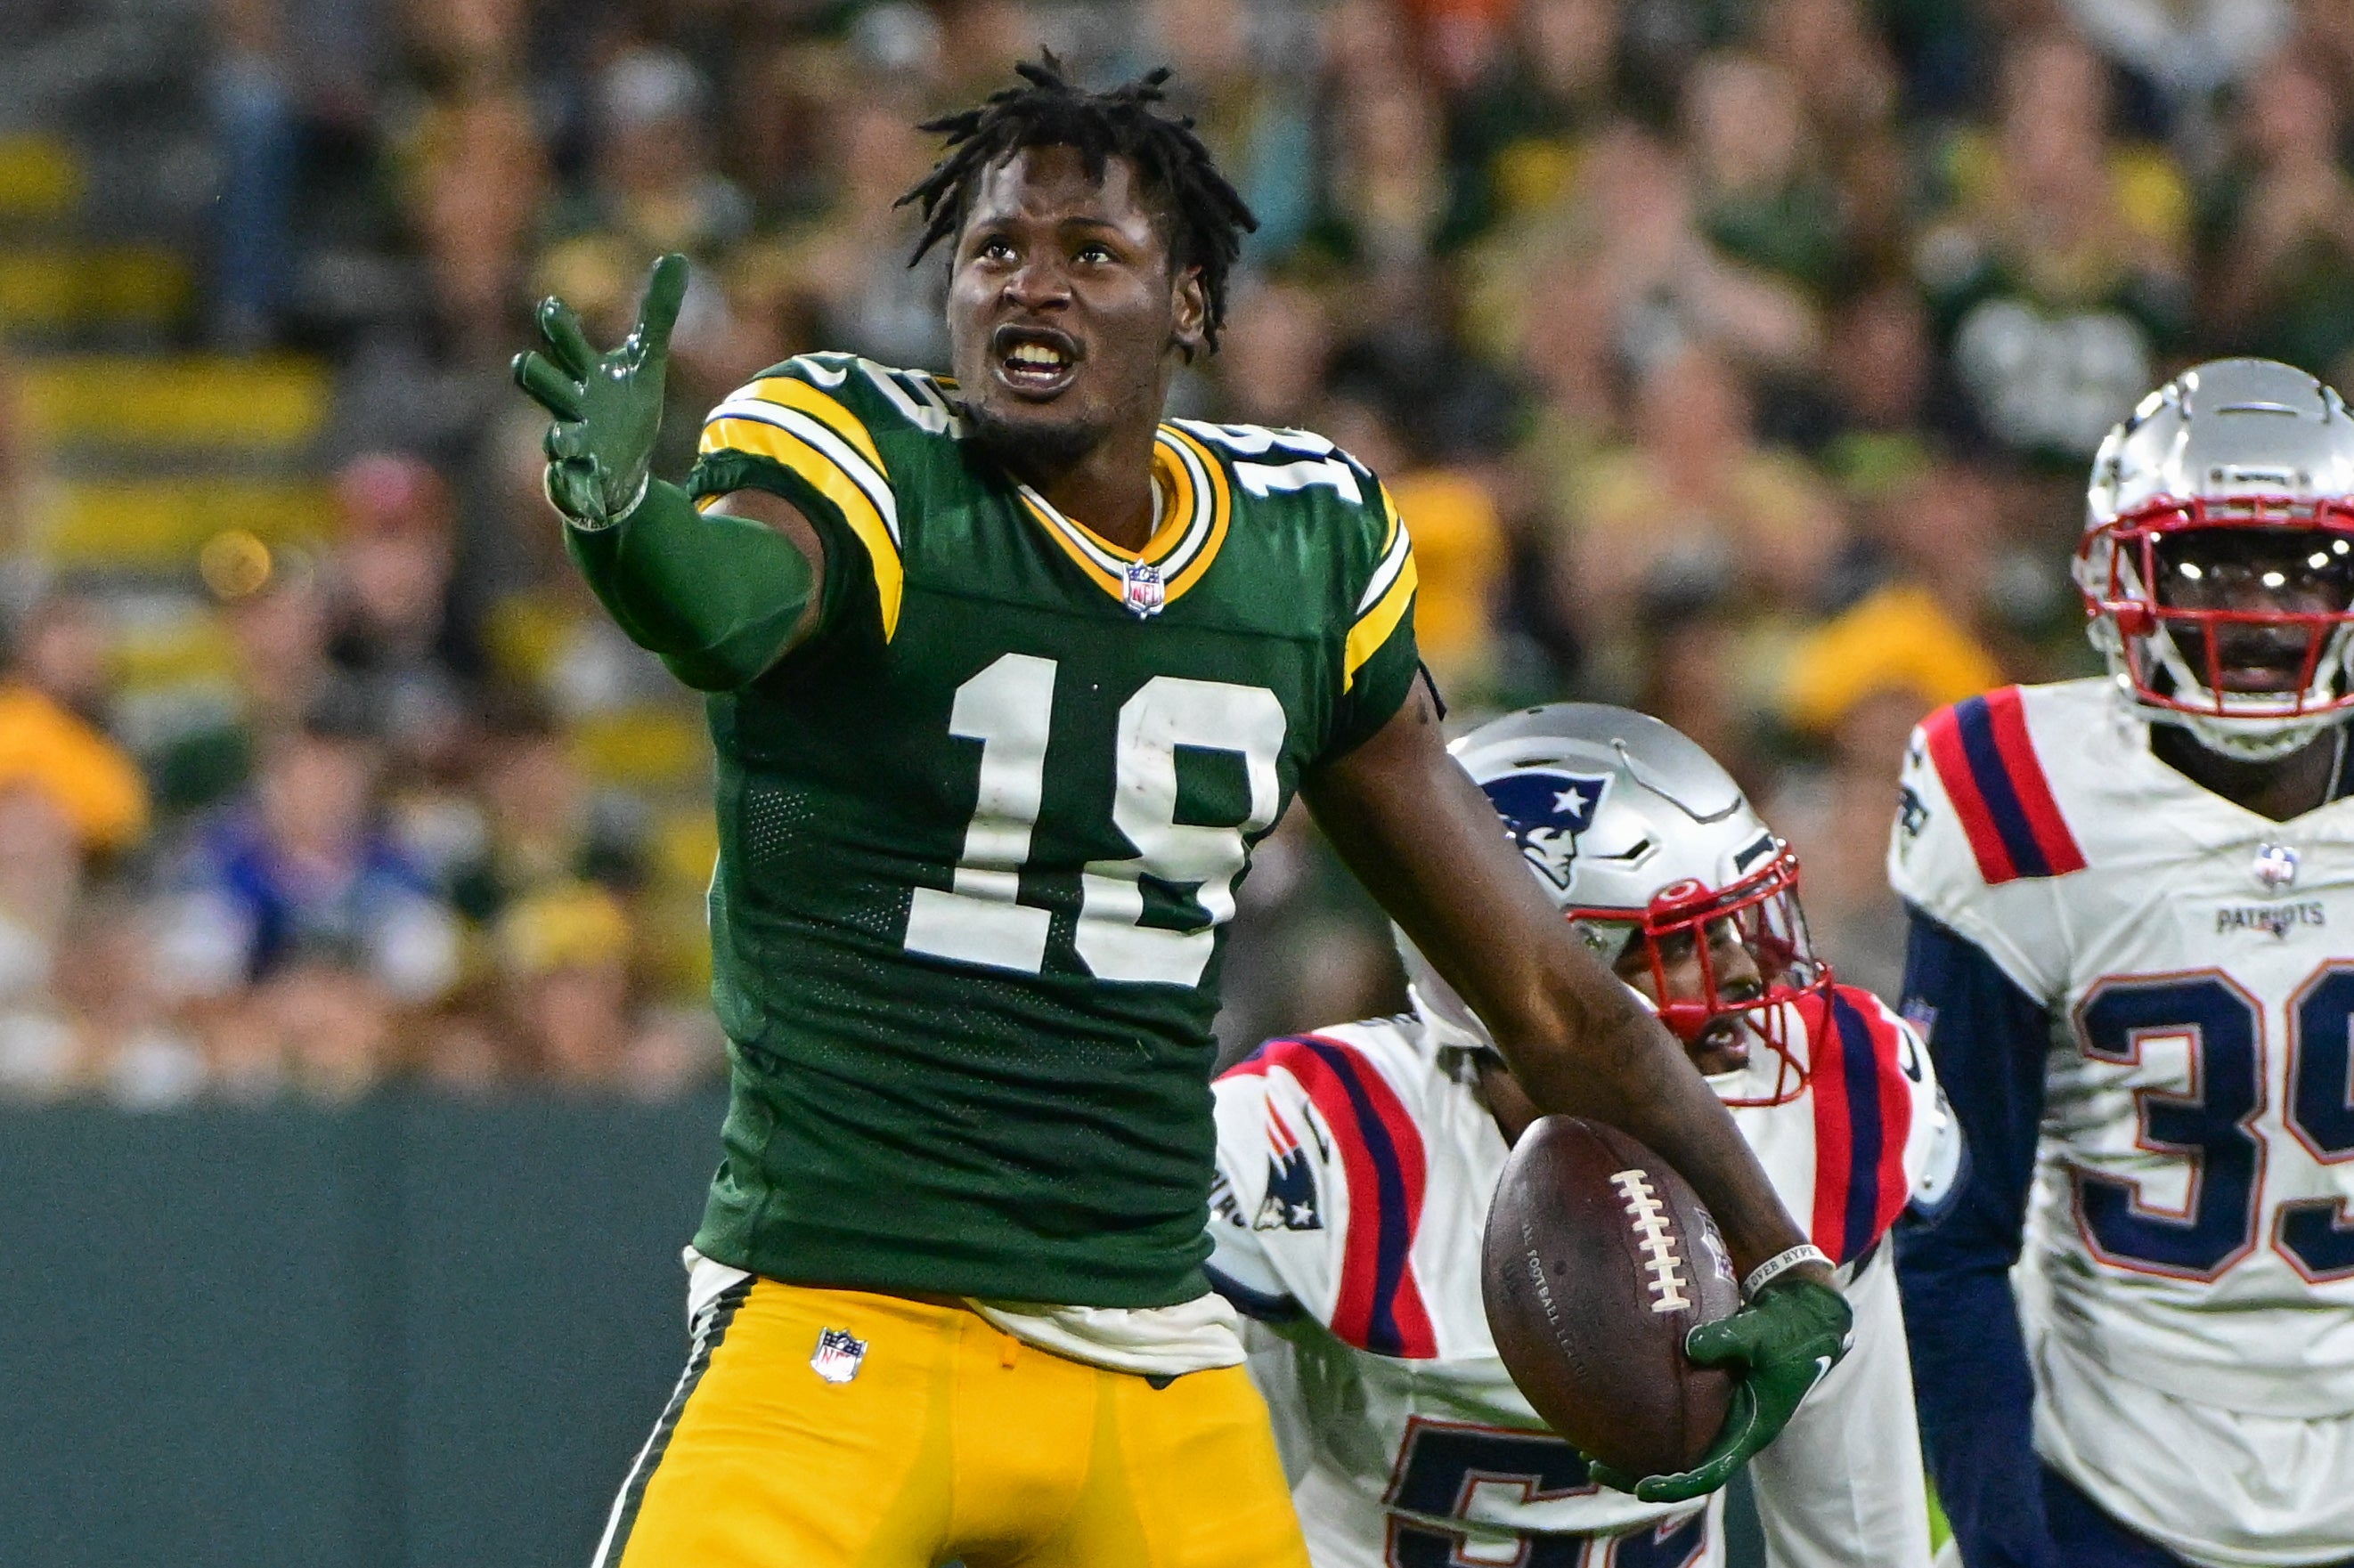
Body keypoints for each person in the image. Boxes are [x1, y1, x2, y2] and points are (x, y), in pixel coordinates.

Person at [511, 60, 1850, 1568]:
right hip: (845, 1308)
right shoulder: (866, 459)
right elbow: (732, 609)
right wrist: (629, 529)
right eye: (997, 250)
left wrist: (1774, 1242)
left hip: (1144, 1353)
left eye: (1093, 255)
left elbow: (1540, 986)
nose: (1034, 287)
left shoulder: (1296, 548)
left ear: (1192, 305)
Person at [1210, 703, 1958, 1568]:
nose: (1745, 972)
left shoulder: (1821, 1104)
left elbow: (1859, 1547)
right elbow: (1218, 1535)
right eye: (1682, 944)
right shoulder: (1325, 1147)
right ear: (1538, 972)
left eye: (1734, 927)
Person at [1892, 357, 2354, 1567]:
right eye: (2206, 561)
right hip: (2109, 1476)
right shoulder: (2018, 796)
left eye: (2304, 567)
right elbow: (1948, 1237)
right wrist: (2007, 1546)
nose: (2257, 609)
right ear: (2113, 577)